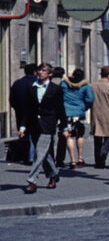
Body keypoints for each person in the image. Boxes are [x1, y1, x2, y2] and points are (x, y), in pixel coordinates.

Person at [19, 63, 66, 193]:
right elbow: (27, 108)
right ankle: (54, 174)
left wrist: (64, 127)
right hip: (34, 125)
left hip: (48, 125)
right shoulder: (31, 87)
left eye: (44, 70)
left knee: (39, 154)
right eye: (39, 70)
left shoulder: (55, 89)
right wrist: (23, 126)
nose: (40, 72)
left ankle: (32, 180)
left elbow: (60, 109)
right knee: (45, 154)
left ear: (50, 74)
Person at [60, 68, 95, 168]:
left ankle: (72, 160)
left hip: (67, 113)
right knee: (80, 135)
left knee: (69, 136)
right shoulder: (85, 86)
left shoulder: (64, 84)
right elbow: (90, 99)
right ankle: (80, 158)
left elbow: (59, 94)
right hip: (79, 113)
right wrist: (84, 107)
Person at [9, 63, 37, 165]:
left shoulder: (17, 83)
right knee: (34, 135)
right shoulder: (37, 83)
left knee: (23, 133)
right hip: (34, 113)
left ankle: (24, 155)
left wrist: (17, 108)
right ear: (35, 72)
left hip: (20, 112)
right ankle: (31, 156)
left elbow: (12, 99)